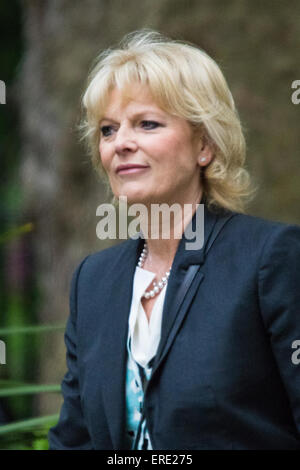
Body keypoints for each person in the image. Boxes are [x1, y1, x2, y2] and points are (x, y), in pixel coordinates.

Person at [48, 30, 300, 450]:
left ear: (204, 144)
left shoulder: (269, 258)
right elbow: (75, 439)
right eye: (108, 130)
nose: (121, 143)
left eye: (147, 124)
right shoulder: (93, 281)